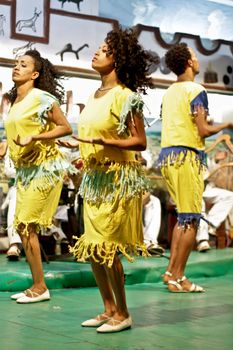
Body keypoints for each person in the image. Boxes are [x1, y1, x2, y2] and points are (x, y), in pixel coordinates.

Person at [58, 27, 156, 333]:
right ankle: (108, 308)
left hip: (118, 179)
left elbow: (140, 141)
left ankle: (124, 313)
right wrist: (80, 146)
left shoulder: (126, 97)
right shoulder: (94, 94)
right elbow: (95, 137)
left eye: (105, 49)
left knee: (108, 247)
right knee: (93, 247)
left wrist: (102, 140)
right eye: (98, 47)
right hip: (95, 177)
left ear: (118, 59)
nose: (97, 51)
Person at [158, 43, 233, 292]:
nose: (197, 59)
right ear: (189, 62)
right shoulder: (196, 90)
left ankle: (171, 273)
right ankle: (179, 277)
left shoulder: (170, 92)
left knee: (184, 218)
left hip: (168, 158)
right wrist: (226, 125)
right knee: (191, 219)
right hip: (186, 157)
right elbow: (203, 130)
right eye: (194, 55)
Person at [4, 49, 73, 303]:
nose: (16, 67)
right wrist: (6, 146)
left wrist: (36, 137)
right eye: (16, 63)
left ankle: (41, 287)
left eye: (23, 65)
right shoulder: (16, 102)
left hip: (46, 167)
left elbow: (65, 127)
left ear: (34, 73)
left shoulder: (42, 97)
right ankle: (37, 284)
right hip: (26, 169)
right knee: (22, 227)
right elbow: (18, 133)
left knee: (25, 224)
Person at [196, 150, 233, 251]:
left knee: (230, 196)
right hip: (189, 191)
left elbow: (210, 174)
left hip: (205, 189)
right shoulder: (179, 152)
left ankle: (211, 224)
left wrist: (215, 160)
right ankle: (202, 240)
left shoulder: (201, 154)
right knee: (199, 203)